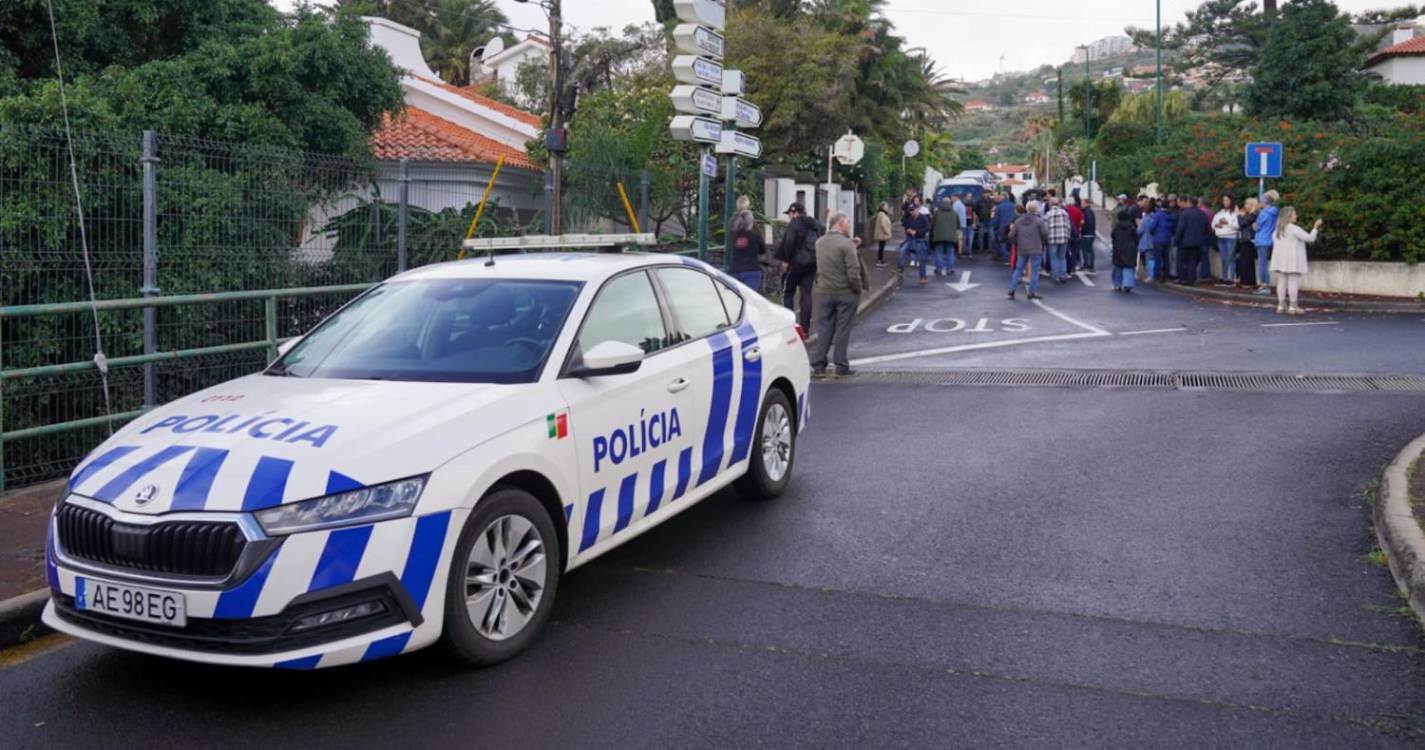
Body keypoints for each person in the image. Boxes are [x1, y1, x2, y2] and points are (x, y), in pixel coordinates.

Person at [809, 212, 863, 378]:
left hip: (824, 292)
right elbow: (853, 272)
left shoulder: (819, 243)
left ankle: (818, 364)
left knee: (824, 328)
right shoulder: (846, 245)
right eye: (847, 222)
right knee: (842, 330)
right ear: (839, 223)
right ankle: (841, 365)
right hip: (845, 292)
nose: (849, 225)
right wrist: (857, 289)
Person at [774, 202, 821, 333]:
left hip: (796, 264)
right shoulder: (814, 223)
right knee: (806, 294)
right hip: (812, 264)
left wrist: (786, 260)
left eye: (789, 214)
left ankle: (790, 327)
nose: (789, 217)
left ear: (794, 212)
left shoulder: (794, 224)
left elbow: (788, 244)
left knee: (788, 293)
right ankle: (805, 328)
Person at [1270, 207, 1321, 315]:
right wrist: (1315, 227)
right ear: (1288, 217)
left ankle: (1281, 305)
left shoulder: (1277, 231)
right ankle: (1293, 306)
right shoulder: (1294, 229)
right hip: (1293, 259)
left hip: (1281, 260)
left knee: (1282, 282)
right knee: (1293, 281)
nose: (1296, 216)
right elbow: (1310, 238)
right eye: (1294, 214)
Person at [1007, 200, 1048, 300]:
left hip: (1022, 248)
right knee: (1034, 271)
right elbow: (1045, 233)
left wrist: (1016, 242)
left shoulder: (1018, 221)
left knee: (1018, 269)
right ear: (1036, 210)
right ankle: (1031, 292)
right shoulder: (1039, 221)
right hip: (1036, 247)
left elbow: (1011, 235)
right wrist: (1041, 241)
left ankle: (1012, 290)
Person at [1172, 195, 1211, 286]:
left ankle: (1182, 278)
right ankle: (1191, 279)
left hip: (1184, 241)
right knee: (1192, 261)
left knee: (1182, 261)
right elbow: (1207, 229)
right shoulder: (1203, 214)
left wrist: (1176, 240)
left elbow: (1180, 228)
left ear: (1189, 202)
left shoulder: (1185, 213)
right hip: (1197, 242)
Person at [729, 210, 767, 293]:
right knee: (750, 299)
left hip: (735, 270)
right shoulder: (756, 236)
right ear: (751, 222)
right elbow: (763, 251)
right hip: (751, 271)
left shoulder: (734, 237)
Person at [1253, 190, 1280, 296]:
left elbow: (1257, 227)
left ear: (1265, 201)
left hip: (1262, 240)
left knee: (1262, 264)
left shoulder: (1264, 213)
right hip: (1269, 239)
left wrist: (1254, 225)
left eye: (1261, 200)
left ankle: (1264, 286)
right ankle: (1264, 285)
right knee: (1264, 263)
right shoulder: (1274, 211)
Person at [898, 198, 931, 284]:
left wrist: (916, 232)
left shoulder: (923, 218)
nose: (912, 212)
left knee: (922, 258)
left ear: (918, 209)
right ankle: (900, 270)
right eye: (910, 211)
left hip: (920, 239)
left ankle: (923, 277)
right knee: (902, 251)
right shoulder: (909, 218)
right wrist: (908, 230)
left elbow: (927, 229)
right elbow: (905, 224)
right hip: (910, 239)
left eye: (913, 210)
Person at [929, 196, 961, 278]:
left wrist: (931, 235)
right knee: (950, 253)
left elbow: (932, 225)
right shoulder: (954, 213)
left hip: (938, 236)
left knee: (938, 253)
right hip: (951, 237)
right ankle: (949, 269)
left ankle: (939, 269)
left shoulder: (937, 212)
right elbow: (958, 225)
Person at [1212, 195, 1239, 286]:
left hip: (1230, 237)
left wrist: (1227, 223)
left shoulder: (1234, 213)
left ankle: (1231, 278)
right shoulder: (1219, 213)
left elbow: (1237, 225)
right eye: (1224, 200)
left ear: (1231, 201)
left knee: (1230, 258)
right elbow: (1213, 223)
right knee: (1223, 258)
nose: (1225, 202)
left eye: (1227, 200)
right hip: (1220, 236)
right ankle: (1224, 277)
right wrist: (1216, 225)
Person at [1043, 197, 1071, 283]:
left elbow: (1045, 228)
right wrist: (1068, 236)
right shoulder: (1065, 213)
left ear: (1050, 204)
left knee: (1054, 257)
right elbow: (1068, 226)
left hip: (1052, 239)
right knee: (1062, 257)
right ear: (1059, 204)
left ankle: (1056, 275)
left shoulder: (1048, 214)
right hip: (1063, 238)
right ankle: (1063, 275)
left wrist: (1045, 238)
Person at [1111, 208, 1138, 293]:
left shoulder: (1117, 227)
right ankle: (1128, 285)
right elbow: (1136, 238)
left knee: (1118, 267)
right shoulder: (1132, 227)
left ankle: (1117, 285)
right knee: (1129, 267)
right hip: (1130, 249)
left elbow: (1113, 236)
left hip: (1118, 248)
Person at [1149, 198, 1175, 282]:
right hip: (1167, 239)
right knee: (1166, 258)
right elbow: (1173, 228)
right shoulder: (1171, 215)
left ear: (1161, 205)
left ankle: (1157, 275)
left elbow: (1152, 227)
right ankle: (1166, 275)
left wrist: (1153, 233)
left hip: (1158, 238)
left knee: (1157, 258)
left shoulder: (1158, 215)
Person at [1235, 198, 1259, 288]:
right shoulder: (1248, 214)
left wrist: (1238, 215)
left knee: (1247, 262)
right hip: (1244, 239)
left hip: (1249, 240)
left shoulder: (1253, 215)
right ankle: (1245, 281)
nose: (1245, 206)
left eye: (1247, 204)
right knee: (1244, 262)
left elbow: (1243, 223)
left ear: (1252, 205)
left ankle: (1248, 282)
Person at [1136, 197, 1157, 281]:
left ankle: (1151, 276)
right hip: (1154, 241)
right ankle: (1153, 274)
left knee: (1149, 259)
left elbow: (1139, 231)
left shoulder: (1145, 219)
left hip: (1146, 242)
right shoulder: (1155, 217)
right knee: (1153, 258)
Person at [993, 191, 1016, 262]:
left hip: (1002, 227)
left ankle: (1005, 258)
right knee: (1011, 242)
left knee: (1002, 242)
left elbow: (996, 219)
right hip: (1012, 226)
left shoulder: (999, 207)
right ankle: (1011, 258)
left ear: (1002, 198)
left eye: (1000, 197)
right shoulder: (1014, 205)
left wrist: (994, 226)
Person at [1064, 198, 1085, 274]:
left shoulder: (1065, 210)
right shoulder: (1077, 210)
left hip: (1066, 233)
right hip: (1075, 233)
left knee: (1066, 251)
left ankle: (1067, 266)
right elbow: (1082, 221)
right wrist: (1079, 227)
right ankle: (1073, 265)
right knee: (1074, 250)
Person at [871, 201, 893, 267]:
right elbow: (883, 225)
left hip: (881, 233)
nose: (887, 207)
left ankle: (880, 259)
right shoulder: (882, 214)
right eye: (886, 206)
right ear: (883, 207)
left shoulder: (881, 214)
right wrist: (888, 233)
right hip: (882, 234)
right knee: (881, 247)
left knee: (881, 247)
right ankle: (880, 260)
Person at [1079, 197, 1098, 274]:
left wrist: (1082, 228)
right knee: (1088, 250)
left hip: (1087, 234)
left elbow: (1088, 223)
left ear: (1087, 204)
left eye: (1083, 203)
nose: (1081, 205)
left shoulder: (1087, 212)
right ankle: (1089, 265)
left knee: (1086, 250)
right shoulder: (1088, 211)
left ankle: (1088, 265)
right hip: (1090, 233)